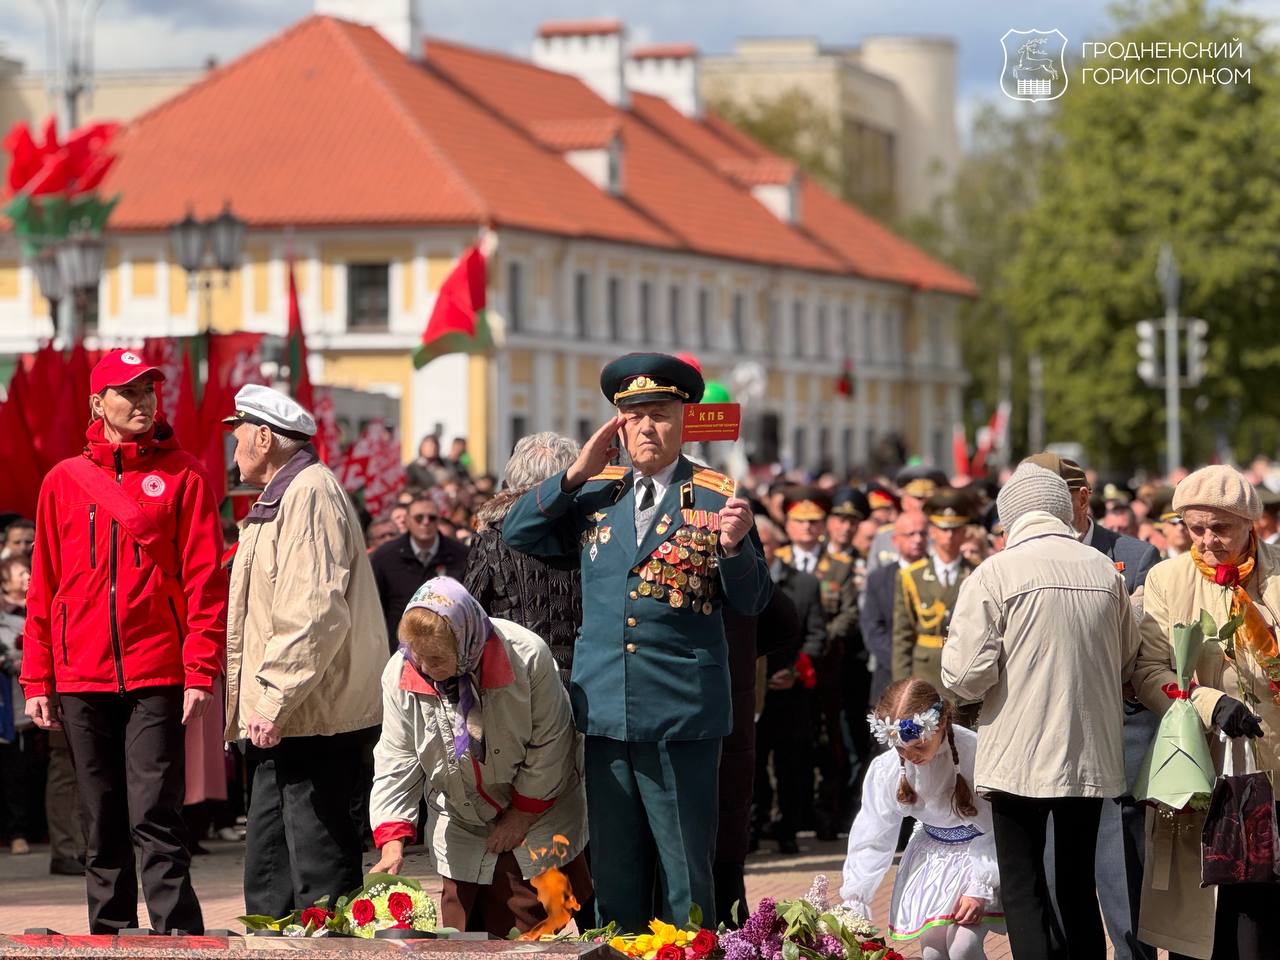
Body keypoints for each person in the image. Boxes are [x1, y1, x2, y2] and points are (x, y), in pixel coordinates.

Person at [503, 352, 771, 930]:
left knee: (684, 868)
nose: (647, 428)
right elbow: (517, 533)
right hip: (606, 709)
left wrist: (734, 548)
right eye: (634, 416)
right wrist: (573, 473)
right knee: (615, 866)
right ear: (617, 426)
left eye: (661, 414)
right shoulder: (597, 494)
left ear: (684, 419)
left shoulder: (714, 495)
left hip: (680, 712)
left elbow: (752, 602)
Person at [20, 349, 226, 934]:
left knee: (155, 812)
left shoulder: (185, 473)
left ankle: (177, 934)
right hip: (80, 674)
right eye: (128, 392)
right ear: (98, 403)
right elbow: (45, 585)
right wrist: (38, 678)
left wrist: (199, 670)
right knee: (99, 815)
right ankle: (106, 933)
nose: (142, 403)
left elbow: (204, 582)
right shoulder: (62, 480)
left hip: (156, 671)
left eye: (148, 392)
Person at [940, 462, 1142, 960]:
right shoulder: (1103, 569)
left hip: (1017, 755)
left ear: (1008, 518)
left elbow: (963, 676)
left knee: (1023, 884)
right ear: (1060, 509)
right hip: (1090, 751)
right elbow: (1128, 656)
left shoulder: (995, 572)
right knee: (1076, 885)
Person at [221, 383, 385, 918]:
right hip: (292, 713)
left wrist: (272, 699)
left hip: (312, 714)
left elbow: (311, 612)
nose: (235, 446)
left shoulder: (309, 493)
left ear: (264, 438)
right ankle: (269, 943)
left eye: (239, 433)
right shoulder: (285, 494)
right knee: (271, 864)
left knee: (318, 867)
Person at [369, 578, 590, 937]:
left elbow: (552, 743)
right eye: (415, 654)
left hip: (539, 809)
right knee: (462, 931)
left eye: (436, 658)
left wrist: (520, 816)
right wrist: (392, 844)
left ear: (465, 639)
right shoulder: (401, 672)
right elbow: (397, 757)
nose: (423, 667)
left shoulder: (526, 655)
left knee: (529, 924)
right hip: (461, 814)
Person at [1127, 465, 1276, 960]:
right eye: (1196, 528)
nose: (1208, 540)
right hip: (1202, 766)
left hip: (1272, 768)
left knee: (1262, 908)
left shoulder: (1276, 577)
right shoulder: (1167, 579)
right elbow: (1150, 669)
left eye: (1221, 527)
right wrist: (1211, 704)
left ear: (1250, 522)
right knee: (1206, 918)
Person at [1024, 452, 1160, 960]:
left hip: (1117, 743)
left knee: (1123, 884)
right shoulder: (1020, 555)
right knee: (1058, 883)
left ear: (1082, 499)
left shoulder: (1134, 556)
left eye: (1052, 499)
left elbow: (1144, 654)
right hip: (1052, 746)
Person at [841, 678, 1002, 959]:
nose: (910, 756)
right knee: (933, 952)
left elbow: (997, 825)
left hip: (981, 856)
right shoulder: (889, 768)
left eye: (918, 745)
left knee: (964, 946)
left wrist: (981, 886)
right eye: (901, 749)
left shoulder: (974, 752)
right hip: (933, 859)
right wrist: (856, 897)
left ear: (939, 724)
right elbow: (873, 834)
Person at [462, 432, 582, 687]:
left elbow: (469, 615)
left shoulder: (493, 535)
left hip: (515, 681)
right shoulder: (590, 530)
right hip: (584, 683)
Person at [776, 487, 860, 839]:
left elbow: (849, 613)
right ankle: (787, 817)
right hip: (784, 664)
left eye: (815, 522)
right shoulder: (774, 559)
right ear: (788, 524)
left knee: (826, 743)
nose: (808, 529)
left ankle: (825, 813)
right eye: (800, 522)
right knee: (785, 746)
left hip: (825, 669)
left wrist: (822, 637)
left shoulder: (840, 566)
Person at [753, 516, 825, 854]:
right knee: (752, 765)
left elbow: (815, 636)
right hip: (751, 692)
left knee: (791, 766)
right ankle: (754, 826)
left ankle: (788, 829)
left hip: (789, 691)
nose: (760, 548)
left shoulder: (806, 584)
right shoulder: (736, 578)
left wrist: (795, 672)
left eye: (765, 542)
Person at [892, 489, 978, 724]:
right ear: (932, 531)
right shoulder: (912, 576)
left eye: (956, 529)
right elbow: (903, 636)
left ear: (965, 533)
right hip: (926, 672)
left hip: (964, 674)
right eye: (943, 529)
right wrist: (902, 689)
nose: (949, 536)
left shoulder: (978, 572)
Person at [371, 494, 471, 653]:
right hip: (399, 651)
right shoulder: (384, 557)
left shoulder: (462, 555)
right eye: (419, 518)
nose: (425, 523)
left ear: (438, 520)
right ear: (408, 521)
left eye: (431, 518)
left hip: (448, 651)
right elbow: (375, 608)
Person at [863, 511, 929, 709]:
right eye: (910, 534)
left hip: (931, 673)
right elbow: (873, 629)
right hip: (889, 675)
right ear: (895, 540)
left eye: (923, 534)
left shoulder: (939, 575)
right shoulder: (879, 578)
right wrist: (902, 663)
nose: (917, 540)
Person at [0, 556, 33, 856]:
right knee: (10, 772)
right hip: (6, 705)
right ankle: (14, 832)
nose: (27, 576)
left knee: (25, 773)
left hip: (29, 707)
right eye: (20, 572)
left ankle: (26, 829)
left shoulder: (34, 609)